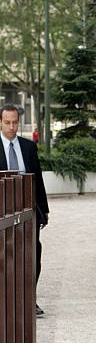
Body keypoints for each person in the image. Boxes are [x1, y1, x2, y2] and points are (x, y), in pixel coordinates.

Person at [0, 104, 49, 317]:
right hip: (2, 212)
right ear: (0, 122)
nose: (12, 127)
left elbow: (37, 180)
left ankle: (30, 299)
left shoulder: (29, 147)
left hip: (28, 210)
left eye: (15, 123)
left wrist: (43, 210)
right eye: (7, 122)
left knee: (32, 254)